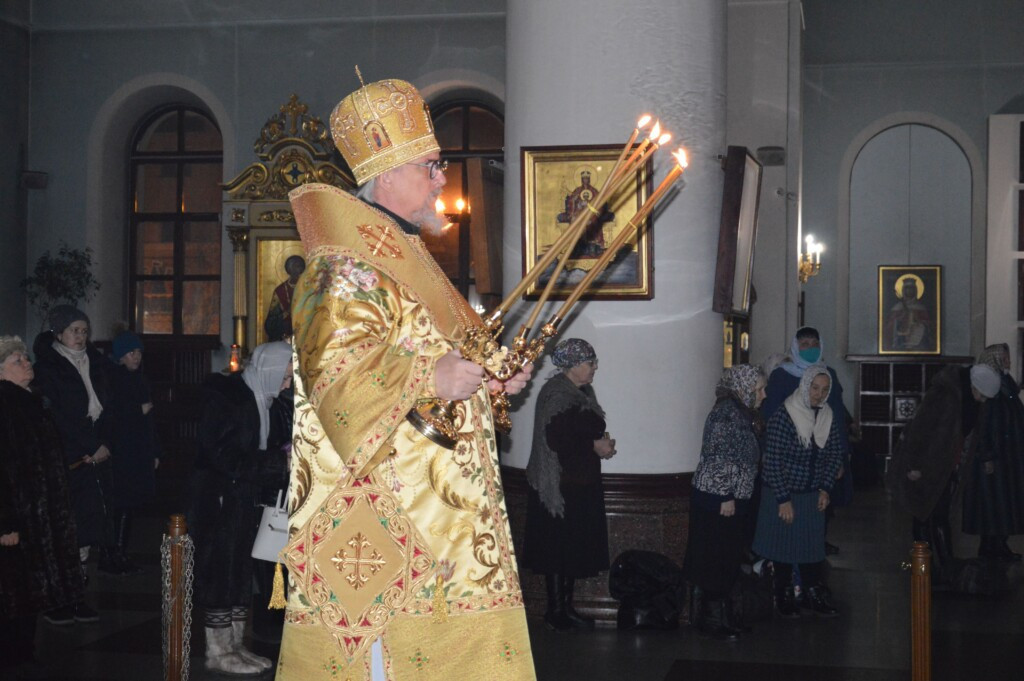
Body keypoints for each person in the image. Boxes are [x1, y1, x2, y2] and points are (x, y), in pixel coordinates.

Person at [279, 73, 536, 680]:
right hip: (387, 520)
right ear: (388, 173)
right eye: (432, 165)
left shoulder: (404, 258)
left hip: (439, 519)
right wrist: (431, 375)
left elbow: (440, 359)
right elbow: (334, 377)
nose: (443, 178)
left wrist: (487, 379)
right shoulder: (340, 269)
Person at [189, 341, 292, 675]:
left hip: (243, 500)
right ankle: (218, 650)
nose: (286, 385)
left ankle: (235, 644)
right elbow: (221, 455)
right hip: (219, 500)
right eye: (285, 377)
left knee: (239, 571)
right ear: (270, 371)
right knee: (220, 571)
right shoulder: (227, 398)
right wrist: (278, 461)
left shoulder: (263, 400)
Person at [0, 336, 84, 669]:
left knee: (30, 591)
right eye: (17, 360)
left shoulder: (31, 402)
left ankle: (24, 653)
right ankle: (13, 657)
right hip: (17, 519)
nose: (27, 363)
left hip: (37, 517)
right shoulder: (5, 406)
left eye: (25, 357)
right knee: (13, 594)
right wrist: (5, 522)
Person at [523, 338, 613, 632]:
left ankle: (565, 608)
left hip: (576, 484)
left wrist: (596, 444)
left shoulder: (579, 392)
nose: (595, 367)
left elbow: (586, 427)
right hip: (558, 487)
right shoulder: (556, 394)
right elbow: (558, 439)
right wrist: (594, 445)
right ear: (573, 365)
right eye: (589, 362)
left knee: (569, 548)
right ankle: (555, 611)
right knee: (557, 550)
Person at [887, 363, 1000, 587]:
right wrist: (913, 465)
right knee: (922, 515)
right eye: (982, 395)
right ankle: (926, 568)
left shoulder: (969, 400)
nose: (983, 401)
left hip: (944, 467)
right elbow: (920, 428)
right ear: (974, 386)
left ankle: (944, 567)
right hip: (925, 466)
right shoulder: (944, 395)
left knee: (938, 516)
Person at [32, 305, 111, 620]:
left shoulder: (97, 363)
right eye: (74, 331)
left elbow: (109, 407)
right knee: (61, 531)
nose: (80, 337)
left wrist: (103, 444)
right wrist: (88, 446)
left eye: (84, 331)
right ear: (59, 333)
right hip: (65, 458)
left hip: (92, 459)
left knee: (84, 531)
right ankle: (56, 600)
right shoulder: (48, 368)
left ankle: (77, 595)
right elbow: (57, 415)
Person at [753, 365, 844, 619]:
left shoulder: (827, 415)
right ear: (805, 386)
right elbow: (773, 461)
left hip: (811, 493)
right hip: (782, 491)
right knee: (783, 546)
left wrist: (825, 488)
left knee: (811, 547)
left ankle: (811, 593)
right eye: (814, 388)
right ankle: (783, 594)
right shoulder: (785, 415)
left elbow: (833, 454)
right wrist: (783, 499)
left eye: (824, 390)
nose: (819, 394)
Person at [683, 364, 765, 641]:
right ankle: (712, 618)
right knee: (715, 557)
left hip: (734, 498)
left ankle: (725, 615)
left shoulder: (741, 412)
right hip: (718, 500)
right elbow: (716, 456)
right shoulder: (726, 414)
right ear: (744, 388)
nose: (763, 395)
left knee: (727, 556)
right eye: (759, 389)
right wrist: (724, 496)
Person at [762, 327, 851, 554]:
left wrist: (841, 456)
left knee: (820, 504)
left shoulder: (828, 374)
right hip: (790, 455)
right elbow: (771, 415)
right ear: (795, 347)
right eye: (805, 344)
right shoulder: (782, 375)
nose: (810, 349)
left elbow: (837, 415)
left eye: (814, 344)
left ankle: (817, 542)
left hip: (821, 454)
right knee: (787, 516)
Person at [962, 345, 1024, 561]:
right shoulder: (990, 384)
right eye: (1004, 358)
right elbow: (986, 424)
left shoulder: (1003, 383)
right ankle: (991, 546)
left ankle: (998, 544)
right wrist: (987, 454)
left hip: (1005, 454)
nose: (1008, 362)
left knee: (1003, 502)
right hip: (995, 456)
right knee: (993, 503)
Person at [105, 331, 159, 575]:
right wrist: (138, 410)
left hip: (137, 449)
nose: (136, 357)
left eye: (138, 352)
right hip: (123, 451)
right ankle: (114, 554)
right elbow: (112, 415)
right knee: (122, 504)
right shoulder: (115, 379)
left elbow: (149, 422)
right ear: (120, 356)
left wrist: (154, 451)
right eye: (130, 352)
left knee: (129, 505)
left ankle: (119, 552)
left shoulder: (138, 379)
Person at [264, 254, 306, 341]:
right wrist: (286, 313)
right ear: (290, 269)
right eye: (297, 267)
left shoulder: (308, 289)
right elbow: (271, 322)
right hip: (285, 337)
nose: (300, 270)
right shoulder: (280, 291)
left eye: (301, 267)